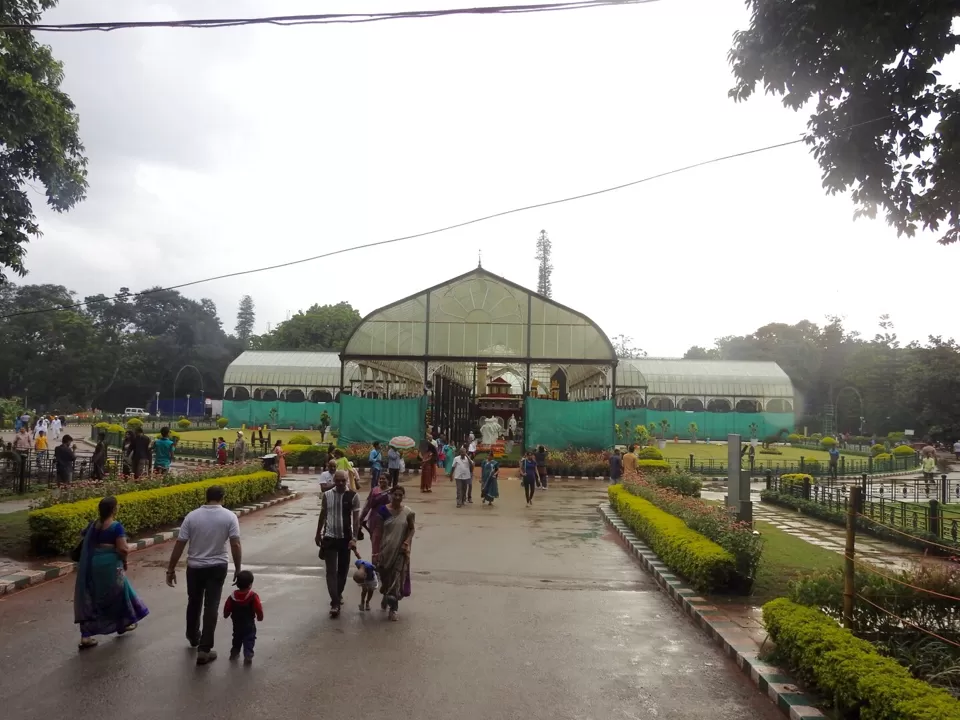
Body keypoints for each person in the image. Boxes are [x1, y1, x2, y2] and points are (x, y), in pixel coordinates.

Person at [165, 485, 243, 666]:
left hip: (194, 566)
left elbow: (180, 543)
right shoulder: (229, 516)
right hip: (217, 566)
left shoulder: (192, 516)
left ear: (206, 497)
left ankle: (193, 636)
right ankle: (204, 649)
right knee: (211, 605)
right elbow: (236, 544)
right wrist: (238, 569)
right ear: (222, 497)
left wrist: (171, 569)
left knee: (194, 601)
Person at [74, 496, 150, 649]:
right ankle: (122, 623)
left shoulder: (94, 525)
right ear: (114, 509)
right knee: (117, 594)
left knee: (92, 597)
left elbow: (84, 536)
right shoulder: (116, 526)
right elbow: (122, 548)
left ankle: (86, 636)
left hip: (93, 564)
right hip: (110, 566)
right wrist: (125, 560)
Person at [316, 470, 360, 618]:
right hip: (329, 537)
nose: (340, 483)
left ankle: (337, 594)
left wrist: (354, 538)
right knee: (330, 571)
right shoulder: (327, 496)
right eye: (338, 480)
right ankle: (334, 603)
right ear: (334, 480)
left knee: (343, 570)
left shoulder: (353, 496)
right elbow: (323, 514)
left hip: (345, 538)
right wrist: (318, 533)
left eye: (343, 480)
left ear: (347, 480)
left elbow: (356, 520)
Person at [369, 485, 415, 621]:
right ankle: (386, 595)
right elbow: (378, 531)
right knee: (386, 578)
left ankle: (393, 609)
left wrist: (406, 541)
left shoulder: (408, 512)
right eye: (395, 494)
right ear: (391, 495)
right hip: (385, 550)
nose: (398, 497)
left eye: (400, 495)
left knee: (396, 579)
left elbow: (412, 529)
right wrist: (376, 551)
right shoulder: (383, 511)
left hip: (400, 551)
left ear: (403, 497)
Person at [223, 570, 263, 664]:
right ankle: (248, 654)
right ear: (250, 584)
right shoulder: (253, 596)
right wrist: (260, 617)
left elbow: (227, 608)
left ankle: (234, 652)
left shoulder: (232, 597)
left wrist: (226, 614)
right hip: (249, 623)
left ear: (237, 584)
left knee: (237, 637)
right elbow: (258, 608)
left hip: (236, 623)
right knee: (249, 638)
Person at [360, 474, 390, 559]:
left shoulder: (392, 491)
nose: (381, 481)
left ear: (388, 480)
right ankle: (375, 564)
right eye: (380, 479)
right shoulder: (374, 491)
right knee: (375, 541)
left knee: (386, 543)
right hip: (374, 519)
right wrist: (361, 518)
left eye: (383, 479)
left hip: (387, 519)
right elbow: (368, 505)